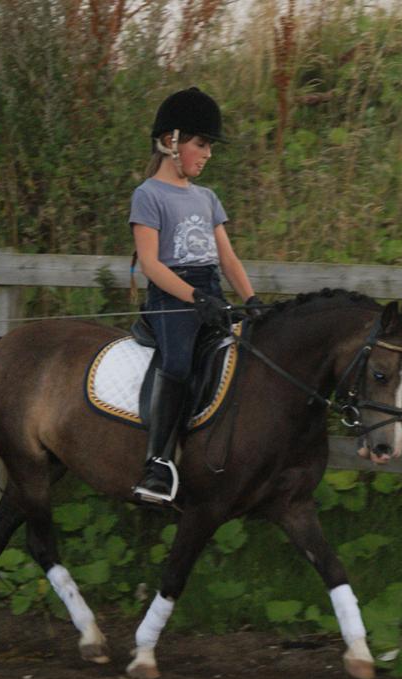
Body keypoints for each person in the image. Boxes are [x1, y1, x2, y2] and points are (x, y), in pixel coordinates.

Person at [129, 86, 264, 505]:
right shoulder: (148, 195)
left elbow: (228, 258)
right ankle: (157, 464)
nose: (207, 154)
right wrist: (192, 297)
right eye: (201, 144)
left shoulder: (207, 198)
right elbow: (151, 264)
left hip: (209, 289)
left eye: (209, 146)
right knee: (179, 361)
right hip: (171, 296)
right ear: (172, 141)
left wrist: (252, 299)